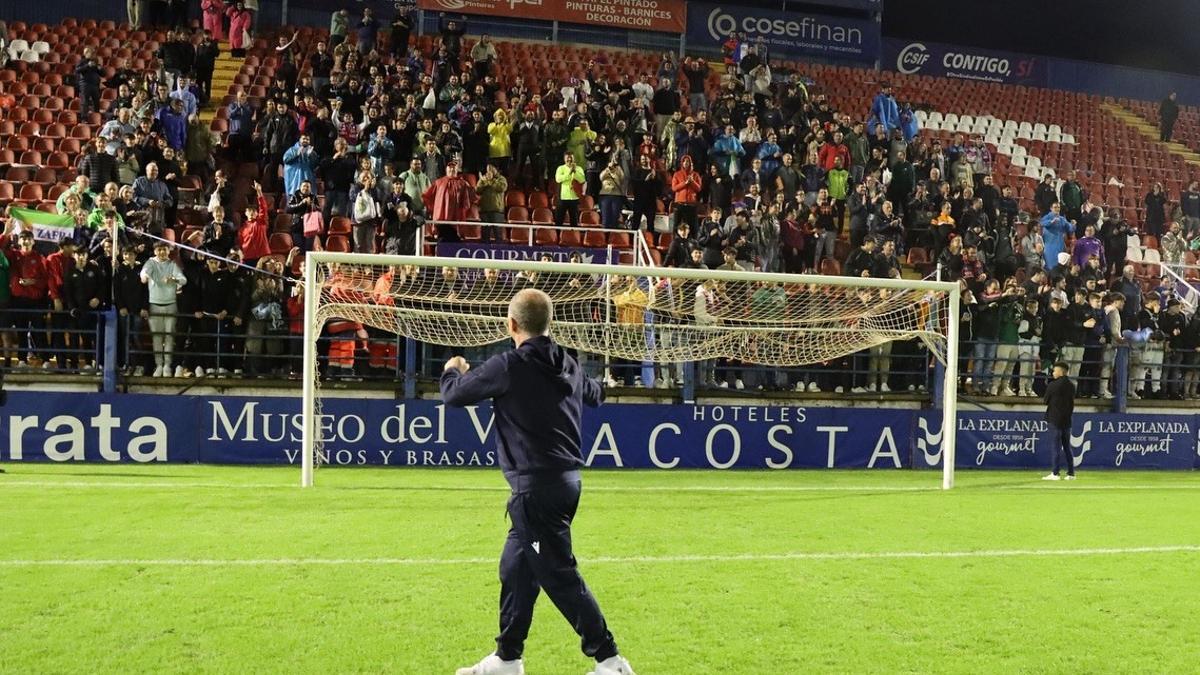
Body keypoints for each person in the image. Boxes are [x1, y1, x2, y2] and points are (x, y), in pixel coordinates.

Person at [442, 289, 635, 675]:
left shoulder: (508, 365)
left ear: (511, 325)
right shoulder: (568, 362)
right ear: (550, 324)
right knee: (515, 569)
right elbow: (596, 395)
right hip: (564, 483)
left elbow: (455, 397)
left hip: (536, 490)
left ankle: (610, 660)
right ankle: (507, 658)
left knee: (560, 576)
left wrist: (452, 370)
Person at [1042, 361, 1076, 481]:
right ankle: (1071, 473)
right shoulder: (1072, 385)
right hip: (1067, 420)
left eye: (1055, 370)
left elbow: (1045, 400)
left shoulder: (1053, 385)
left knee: (1056, 447)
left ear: (1061, 372)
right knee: (1067, 447)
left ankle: (1055, 473)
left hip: (1055, 419)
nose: (1053, 372)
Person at [553, 152, 585, 229]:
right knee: (559, 220)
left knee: (574, 221)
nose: (569, 160)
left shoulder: (579, 168)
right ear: (564, 159)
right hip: (562, 198)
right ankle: (557, 236)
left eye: (571, 158)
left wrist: (575, 171)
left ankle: (574, 237)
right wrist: (569, 174)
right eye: (567, 158)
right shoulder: (560, 168)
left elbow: (582, 180)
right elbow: (558, 179)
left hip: (574, 198)